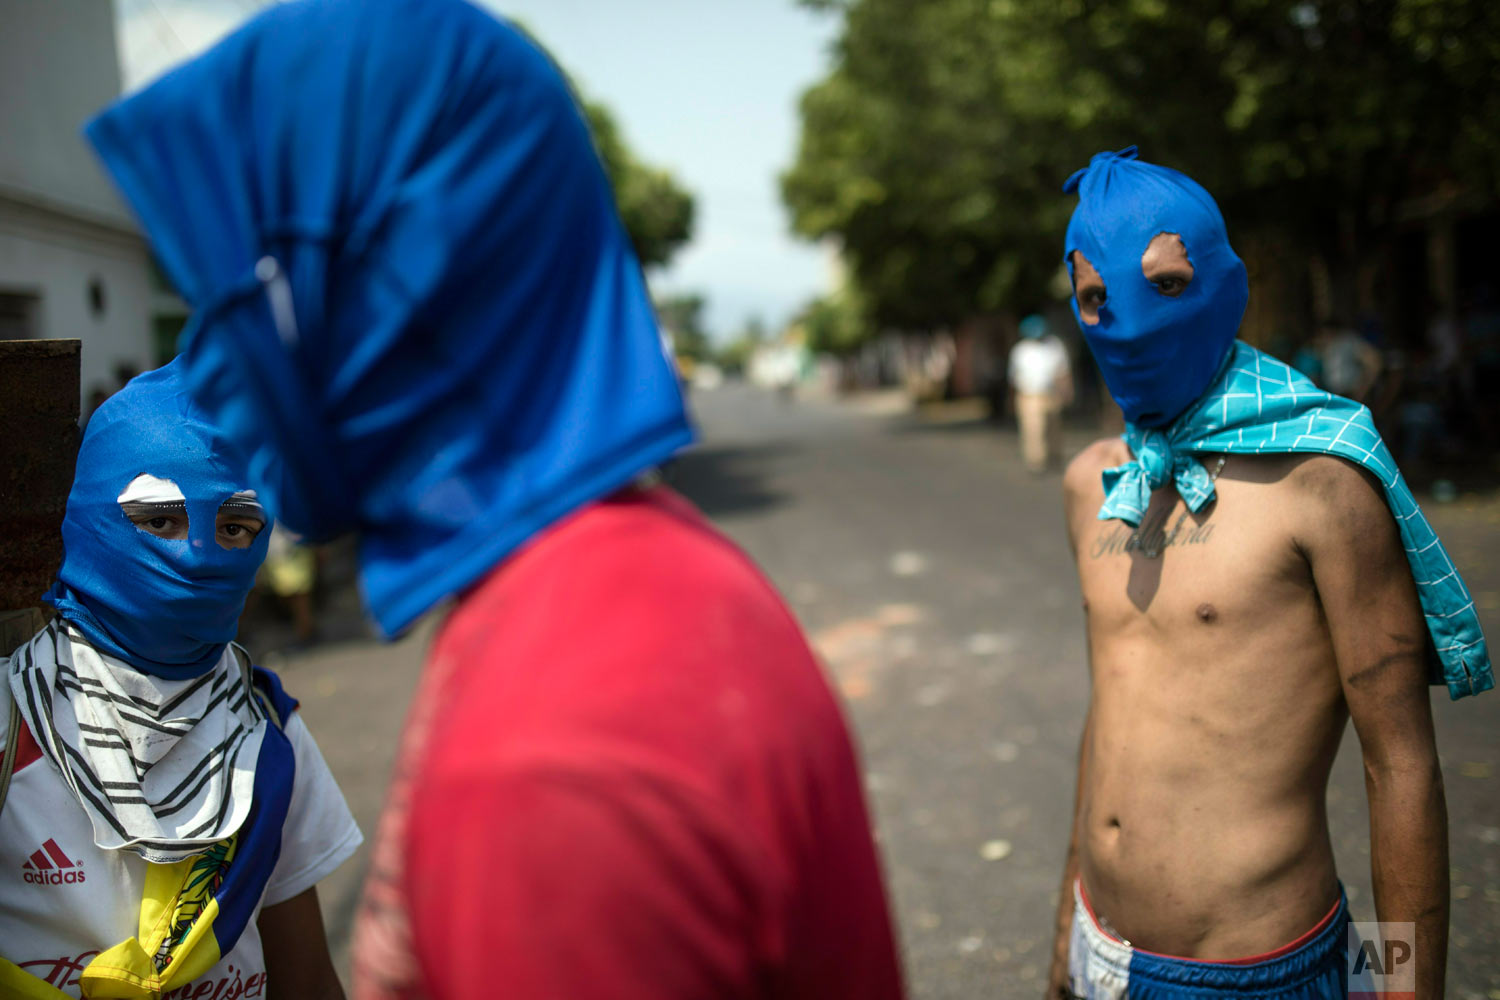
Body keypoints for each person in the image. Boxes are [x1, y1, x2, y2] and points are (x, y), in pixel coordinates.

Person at [84, 3, 904, 999]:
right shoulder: (626, 567)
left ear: (390, 285)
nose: (212, 373)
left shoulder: (552, 753)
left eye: (250, 292)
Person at [1046, 147, 1490, 999]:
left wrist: (1405, 988)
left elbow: (1401, 766)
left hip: (1258, 971)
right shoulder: (1093, 484)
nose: (1126, 323)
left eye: (1166, 286)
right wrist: (1065, 941)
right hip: (1099, 951)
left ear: (1225, 285)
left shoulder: (1321, 485)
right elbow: (1110, 714)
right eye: (1095, 299)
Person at [1, 361, 360, 999]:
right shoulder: (10, 722)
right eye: (160, 521)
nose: (198, 556)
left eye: (235, 528)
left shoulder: (266, 732)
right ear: (92, 517)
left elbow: (305, 976)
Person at [1008, 314, 1073, 473]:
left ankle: (1054, 456)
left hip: (1051, 394)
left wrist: (1067, 391)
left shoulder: (1054, 345)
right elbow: (1013, 377)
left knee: (1053, 427)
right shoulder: (1020, 350)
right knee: (1033, 429)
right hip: (1029, 395)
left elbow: (1063, 371)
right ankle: (1036, 461)